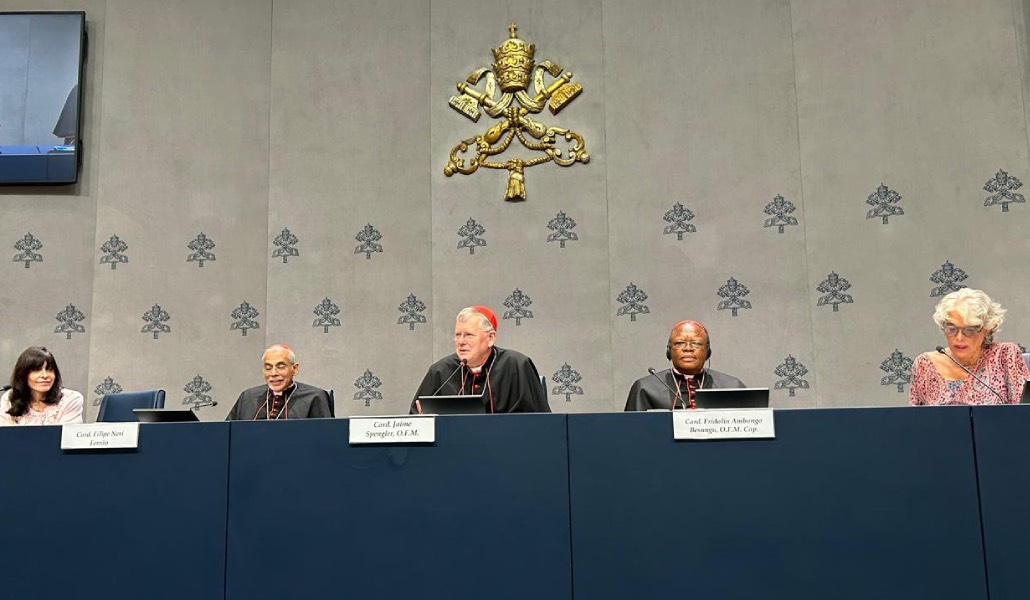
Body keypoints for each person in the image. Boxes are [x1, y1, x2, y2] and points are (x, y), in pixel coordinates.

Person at [411, 306, 550, 413]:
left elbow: (538, 422)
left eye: (469, 335)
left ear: (491, 338)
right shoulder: (440, 371)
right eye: (458, 335)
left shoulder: (516, 365)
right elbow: (415, 417)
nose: (461, 341)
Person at [909, 289, 1029, 405]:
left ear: (987, 329)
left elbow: (1024, 412)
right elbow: (913, 417)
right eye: (952, 329)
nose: (959, 338)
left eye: (970, 330)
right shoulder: (924, 365)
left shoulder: (1005, 355)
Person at [624, 320, 745, 411]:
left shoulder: (732, 387)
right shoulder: (645, 388)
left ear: (707, 351)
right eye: (680, 343)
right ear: (669, 350)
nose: (688, 348)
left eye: (696, 343)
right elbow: (632, 431)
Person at [225, 344, 332, 420]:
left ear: (295, 369)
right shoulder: (248, 397)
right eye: (268, 368)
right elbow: (227, 434)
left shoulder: (315, 397)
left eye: (280, 367)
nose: (273, 373)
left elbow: (326, 437)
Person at [0, 346, 83, 426]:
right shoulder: (10, 398)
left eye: (49, 369)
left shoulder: (70, 399)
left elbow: (66, 434)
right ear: (23, 374)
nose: (45, 375)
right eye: (37, 370)